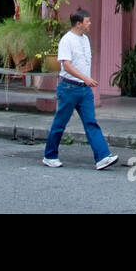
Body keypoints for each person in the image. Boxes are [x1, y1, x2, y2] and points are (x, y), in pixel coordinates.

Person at [43, 9, 119, 170]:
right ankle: (50, 155)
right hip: (69, 87)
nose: (90, 24)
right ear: (78, 24)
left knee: (91, 122)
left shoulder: (85, 39)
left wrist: (86, 81)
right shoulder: (67, 40)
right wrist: (86, 78)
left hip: (84, 90)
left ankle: (102, 157)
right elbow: (66, 65)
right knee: (60, 123)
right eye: (87, 22)